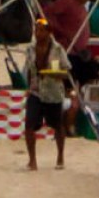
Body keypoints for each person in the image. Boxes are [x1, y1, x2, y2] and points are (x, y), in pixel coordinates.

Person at [23, 18, 72, 170]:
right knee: (29, 126)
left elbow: (66, 70)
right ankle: (32, 160)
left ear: (49, 32)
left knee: (57, 125)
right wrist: (28, 87)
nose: (38, 33)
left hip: (53, 92)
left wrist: (57, 75)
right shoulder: (30, 48)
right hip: (36, 91)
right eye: (36, 30)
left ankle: (60, 156)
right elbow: (30, 69)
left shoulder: (57, 49)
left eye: (41, 30)